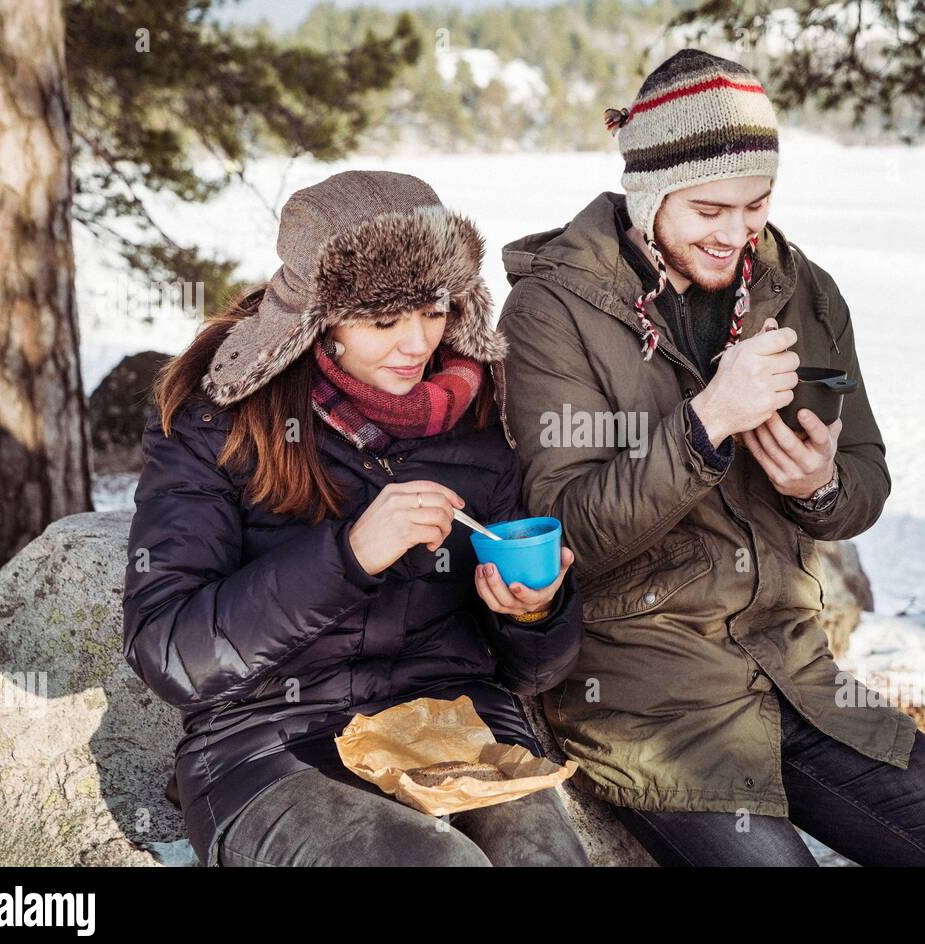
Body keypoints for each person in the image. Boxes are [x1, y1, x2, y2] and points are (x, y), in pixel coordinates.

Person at [494, 49, 925, 866]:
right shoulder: (552, 311)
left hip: (799, 674)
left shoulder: (802, 287)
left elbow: (868, 477)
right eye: (708, 209)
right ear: (649, 195)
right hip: (654, 703)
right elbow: (567, 536)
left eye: (755, 205)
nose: (735, 233)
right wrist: (705, 424)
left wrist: (821, 488)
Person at [122, 170, 589, 867]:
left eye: (434, 312)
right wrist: (349, 556)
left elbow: (530, 674)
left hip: (448, 723)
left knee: (546, 860)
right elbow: (170, 656)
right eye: (382, 321)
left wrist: (532, 613)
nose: (417, 345)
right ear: (319, 317)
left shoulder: (477, 413)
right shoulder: (219, 421)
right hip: (271, 743)